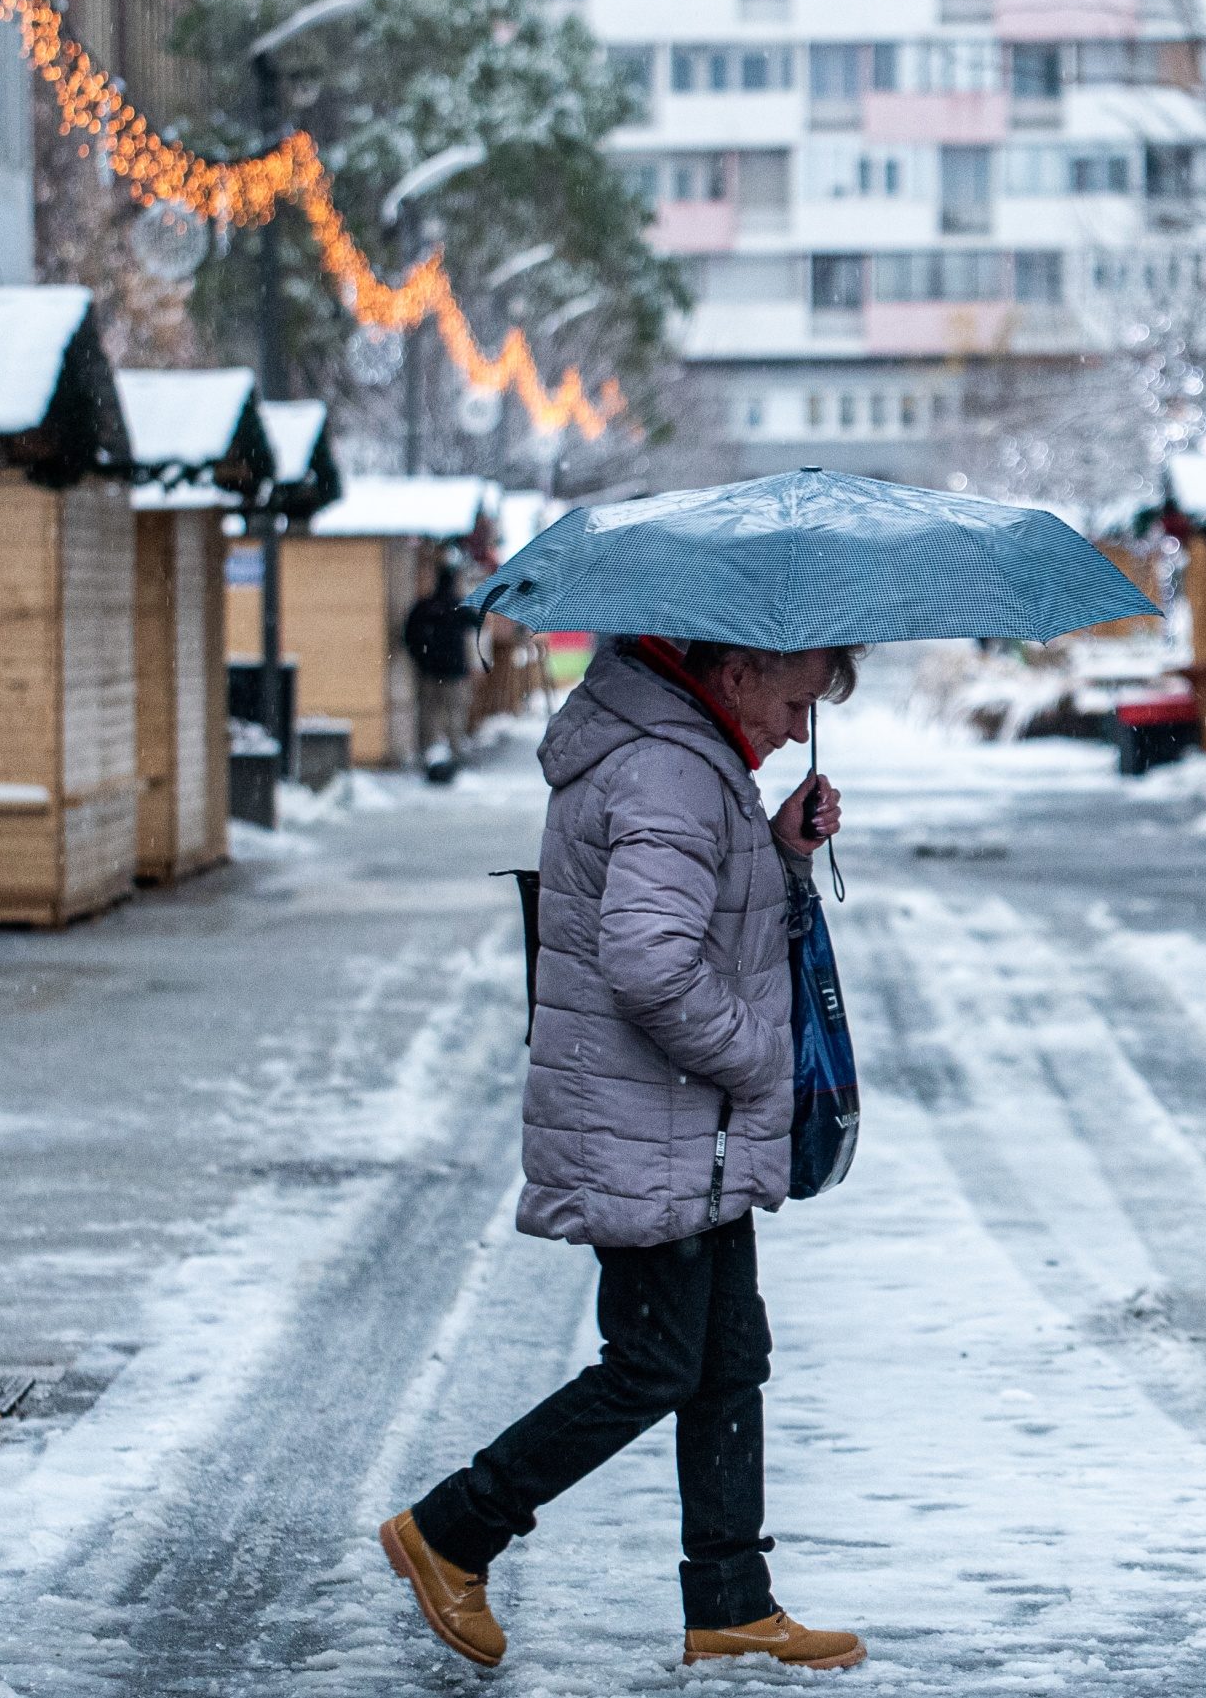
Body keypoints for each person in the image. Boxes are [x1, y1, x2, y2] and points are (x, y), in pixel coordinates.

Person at [382, 633, 866, 1671]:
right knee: (653, 1361)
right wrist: (758, 1059)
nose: (793, 727)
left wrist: (779, 849)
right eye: (791, 700)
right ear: (735, 670)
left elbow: (701, 921)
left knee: (729, 1357)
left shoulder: (686, 754)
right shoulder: (668, 768)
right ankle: (453, 1529)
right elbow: (650, 966)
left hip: (684, 1125)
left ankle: (731, 1598)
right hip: (653, 1120)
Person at [403, 561, 485, 781]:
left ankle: (428, 757)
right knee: (455, 718)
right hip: (455, 672)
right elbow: (478, 622)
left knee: (429, 717)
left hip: (430, 672)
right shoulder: (458, 605)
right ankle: (455, 757)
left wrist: (421, 659)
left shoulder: (424, 607)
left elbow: (408, 635)